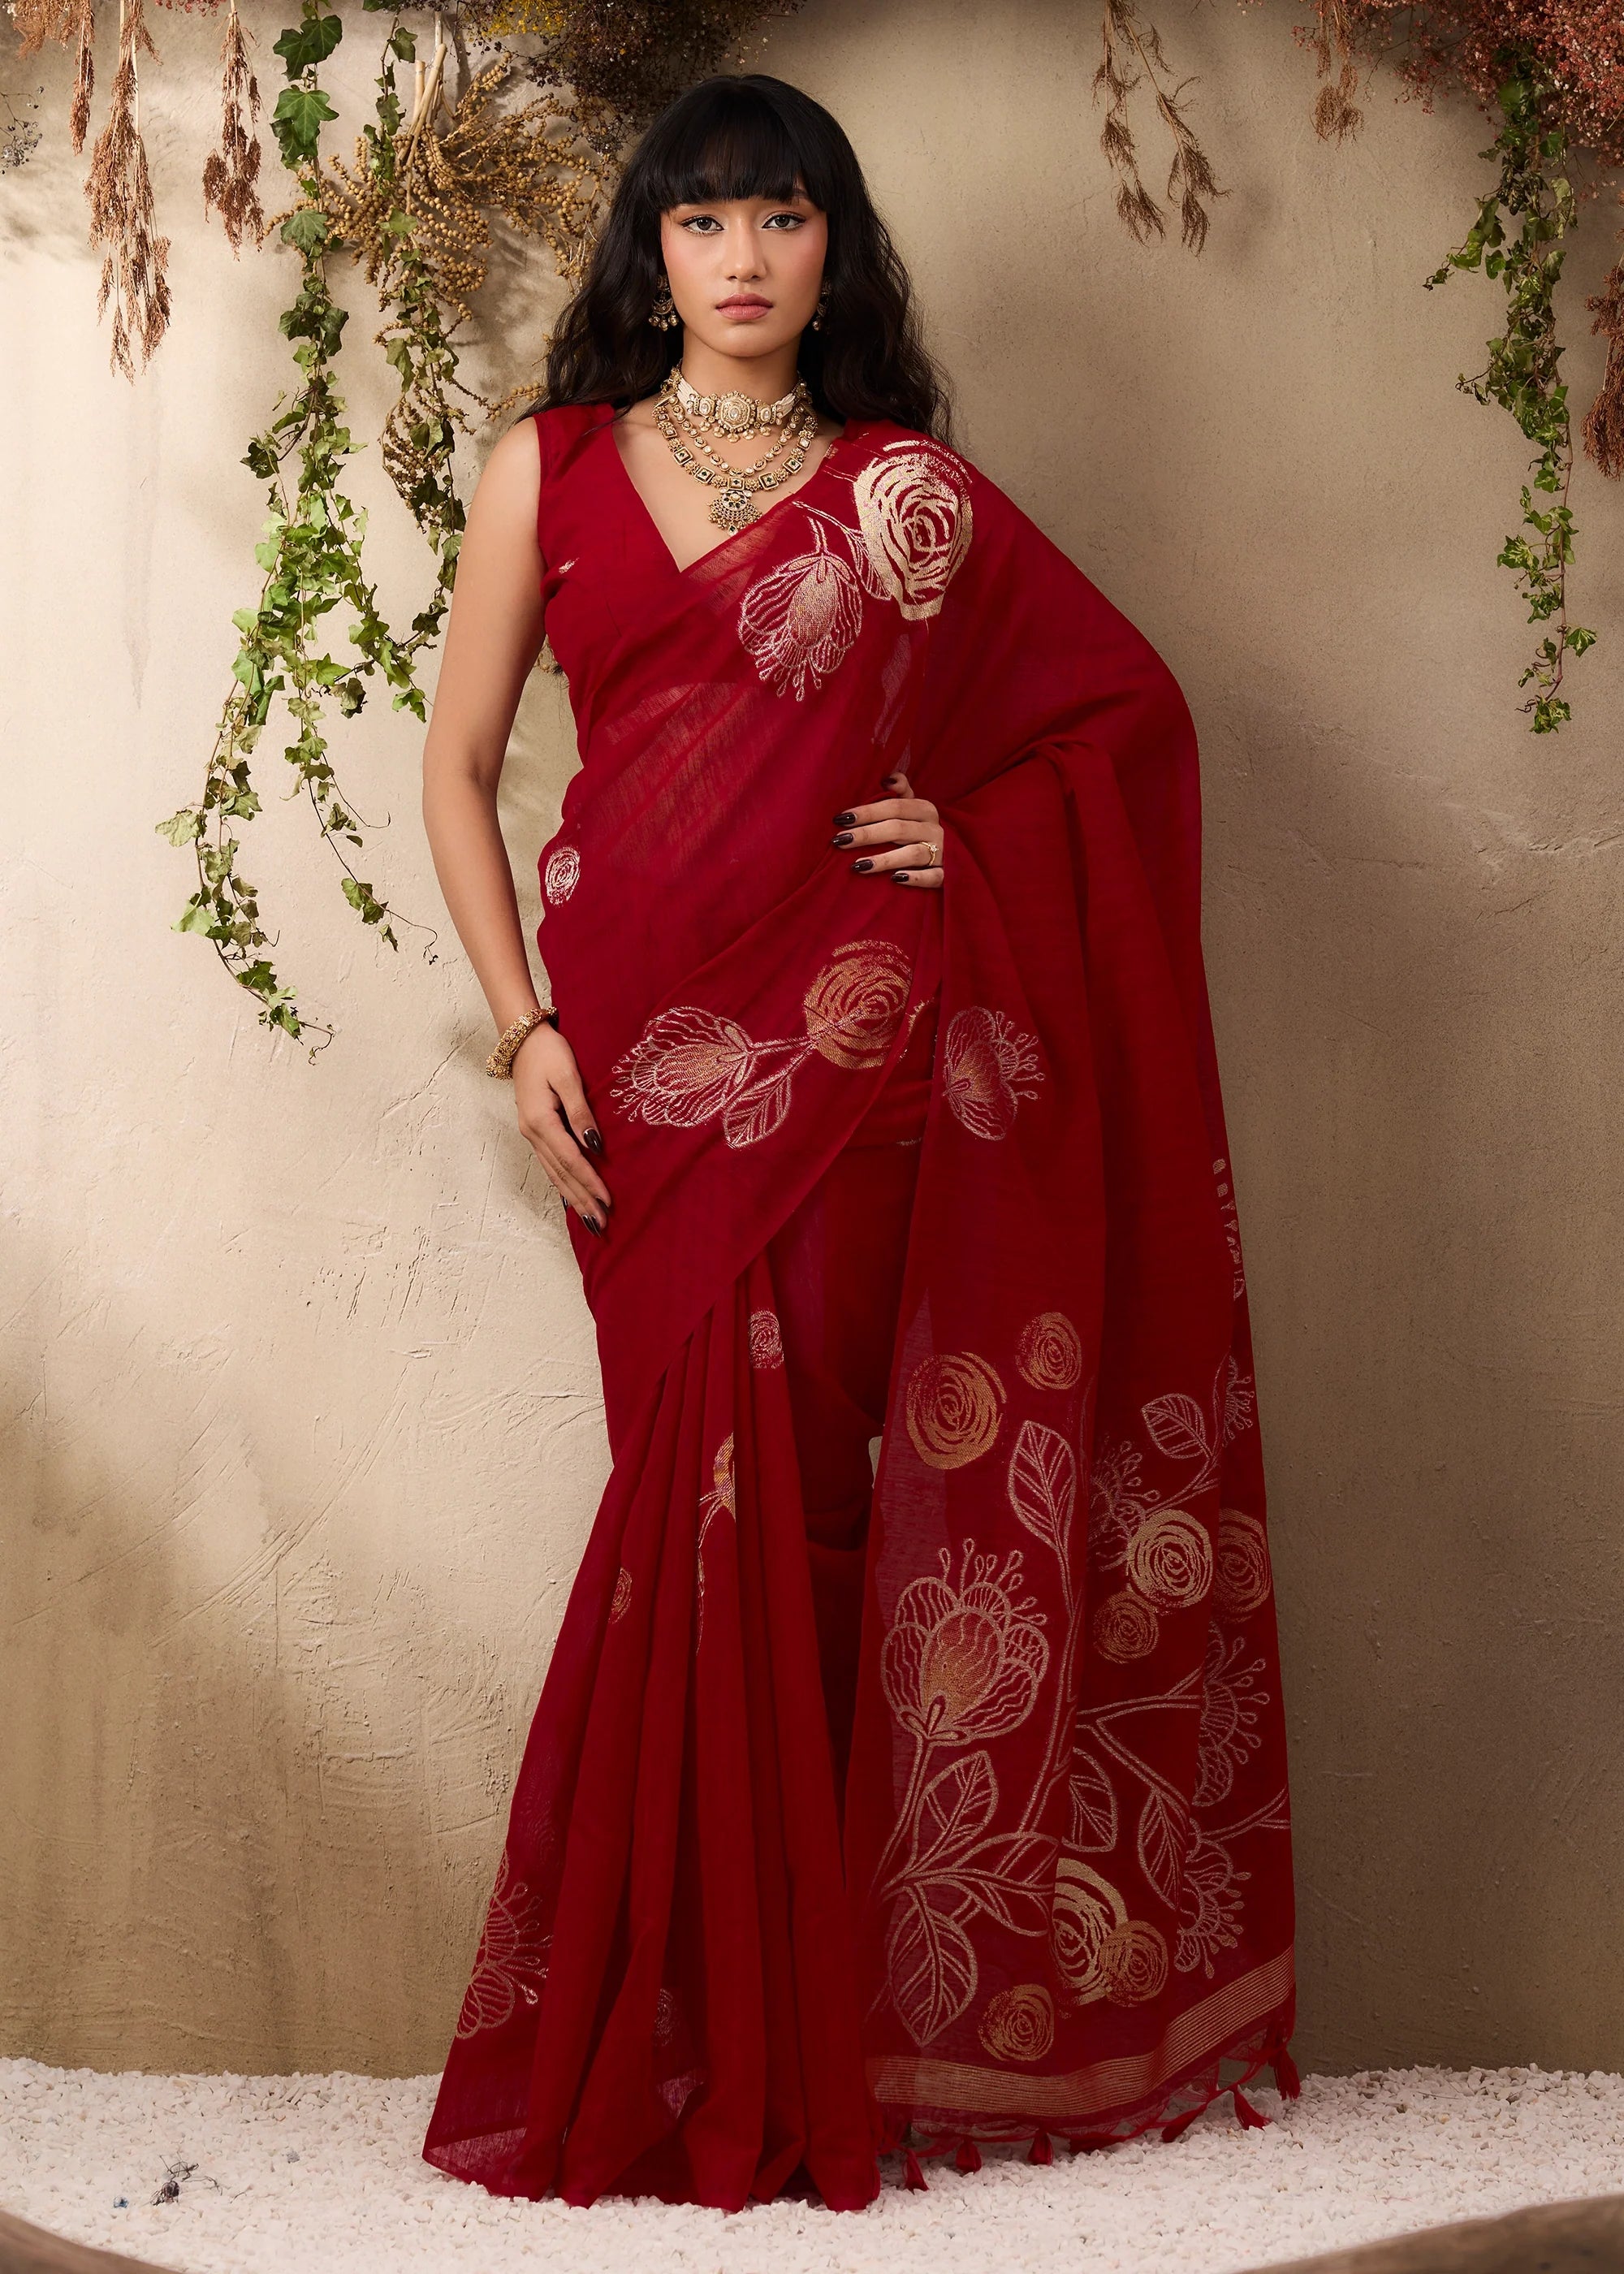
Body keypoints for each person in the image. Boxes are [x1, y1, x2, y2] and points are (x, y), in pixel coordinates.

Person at [418, 71, 1295, 2215]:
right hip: (630, 1063)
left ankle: (816, 2050)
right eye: (703, 218)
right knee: (688, 1505)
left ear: (836, 252)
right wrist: (523, 1030)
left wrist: (972, 836)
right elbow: (457, 766)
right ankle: (699, 2037)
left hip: (854, 1049)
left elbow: (1123, 725)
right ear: (651, 252)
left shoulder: (908, 497)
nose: (743, 256)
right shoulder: (549, 470)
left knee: (805, 1515)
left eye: (783, 216)